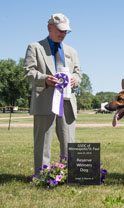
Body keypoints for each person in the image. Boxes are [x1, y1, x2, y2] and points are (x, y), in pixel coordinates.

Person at [23, 13, 82, 176]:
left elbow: (78, 74)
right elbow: (28, 73)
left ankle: (71, 174)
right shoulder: (35, 47)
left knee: (69, 141)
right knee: (42, 143)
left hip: (68, 102)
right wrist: (44, 79)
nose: (63, 34)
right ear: (50, 27)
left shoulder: (72, 51)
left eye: (66, 31)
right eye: (60, 30)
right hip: (44, 101)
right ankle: (42, 176)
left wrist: (73, 81)